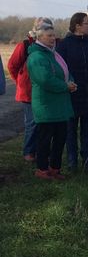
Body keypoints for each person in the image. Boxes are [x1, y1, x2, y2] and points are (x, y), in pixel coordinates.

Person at [56, 13, 88, 172]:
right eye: (87, 23)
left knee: (87, 130)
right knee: (70, 131)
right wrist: (66, 86)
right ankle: (72, 162)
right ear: (77, 25)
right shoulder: (64, 45)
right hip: (71, 95)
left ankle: (87, 161)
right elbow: (59, 69)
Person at [26, 22, 77, 180]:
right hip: (46, 105)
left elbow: (65, 71)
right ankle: (42, 169)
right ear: (39, 37)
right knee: (45, 139)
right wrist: (65, 86)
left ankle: (55, 168)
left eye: (54, 35)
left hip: (60, 104)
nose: (53, 38)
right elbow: (45, 80)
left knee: (60, 138)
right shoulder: (36, 57)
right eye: (49, 36)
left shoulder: (54, 54)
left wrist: (71, 82)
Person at [8, 17, 53, 162]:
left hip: (45, 91)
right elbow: (12, 66)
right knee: (32, 123)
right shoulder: (25, 45)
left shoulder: (52, 45)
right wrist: (20, 82)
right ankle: (29, 152)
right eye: (44, 27)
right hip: (28, 92)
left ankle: (41, 151)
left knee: (44, 123)